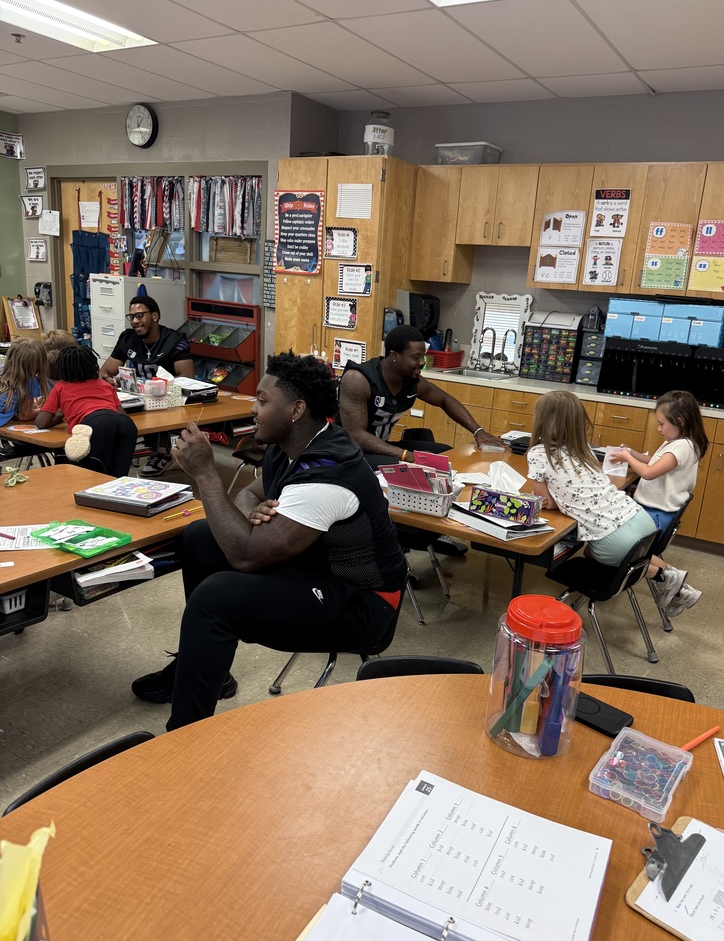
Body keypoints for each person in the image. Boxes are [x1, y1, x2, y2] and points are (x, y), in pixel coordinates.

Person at [131, 351, 407, 730]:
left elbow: (246, 556)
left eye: (262, 401)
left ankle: (183, 736)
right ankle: (201, 667)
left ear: (295, 410)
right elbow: (249, 496)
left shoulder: (327, 474)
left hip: (361, 605)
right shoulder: (290, 446)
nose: (253, 409)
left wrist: (206, 475)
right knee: (199, 536)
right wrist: (249, 517)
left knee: (215, 599)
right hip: (316, 569)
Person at [338, 324, 506, 465]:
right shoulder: (358, 380)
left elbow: (445, 400)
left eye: (423, 356)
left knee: (444, 453)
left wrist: (478, 431)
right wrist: (406, 455)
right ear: (394, 356)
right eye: (416, 357)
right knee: (418, 466)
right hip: (348, 453)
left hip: (383, 446)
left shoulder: (412, 381)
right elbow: (356, 435)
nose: (422, 362)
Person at [527, 390, 658, 567]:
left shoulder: (538, 454)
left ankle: (659, 574)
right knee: (640, 558)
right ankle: (666, 575)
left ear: (541, 421)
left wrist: (555, 499)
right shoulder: (585, 449)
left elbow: (546, 503)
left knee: (591, 552)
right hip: (641, 519)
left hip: (615, 539)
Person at [609, 390, 707, 618]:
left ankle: (668, 577)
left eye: (662, 424)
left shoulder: (682, 447)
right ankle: (675, 583)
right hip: (654, 510)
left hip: (655, 515)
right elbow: (654, 461)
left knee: (614, 541)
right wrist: (632, 453)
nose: (659, 428)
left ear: (680, 421)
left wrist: (627, 458)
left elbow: (650, 472)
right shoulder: (677, 442)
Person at [98, 295, 194, 476]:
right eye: (132, 316)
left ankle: (163, 451)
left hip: (167, 402)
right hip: (138, 400)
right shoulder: (127, 339)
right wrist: (110, 380)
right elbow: (104, 372)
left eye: (140, 315)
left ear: (155, 316)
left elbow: (187, 379)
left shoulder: (175, 340)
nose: (135, 321)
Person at [36, 346, 138, 476]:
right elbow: (121, 413)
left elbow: (41, 422)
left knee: (96, 475)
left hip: (95, 424)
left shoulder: (60, 387)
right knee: (118, 476)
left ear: (63, 368)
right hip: (126, 424)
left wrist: (58, 418)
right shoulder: (105, 385)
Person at [0, 338, 48, 425]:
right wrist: (46, 410)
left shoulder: (2, 371)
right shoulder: (30, 381)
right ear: (39, 364)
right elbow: (24, 416)